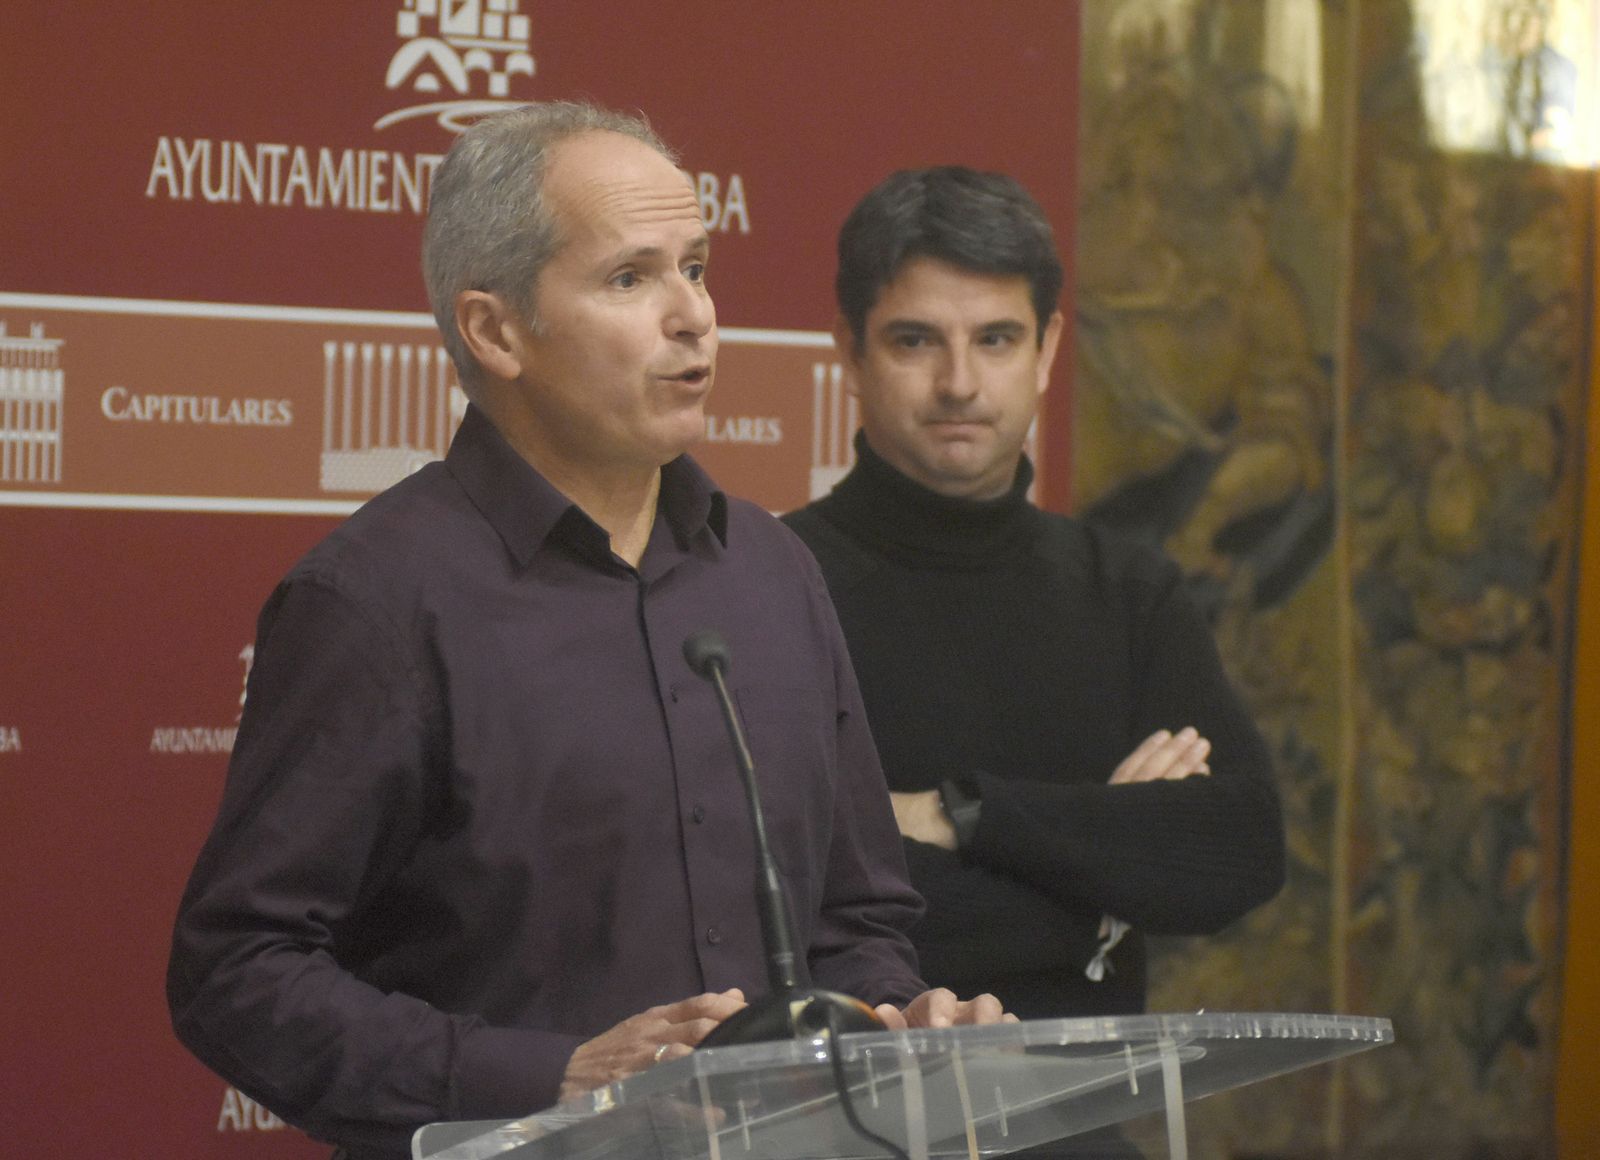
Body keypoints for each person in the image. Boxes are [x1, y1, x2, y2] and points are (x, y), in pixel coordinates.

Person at [167, 105, 1004, 1160]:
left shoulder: (769, 571)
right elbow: (236, 969)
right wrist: (547, 1078)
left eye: (696, 268)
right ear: (496, 331)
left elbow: (854, 918)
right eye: (630, 278)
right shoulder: (377, 599)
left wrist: (897, 1023)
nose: (693, 315)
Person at [783, 166, 1286, 1023]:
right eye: (915, 341)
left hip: (1087, 1121)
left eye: (996, 340)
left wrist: (959, 816)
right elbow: (782, 885)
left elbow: (1240, 852)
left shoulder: (1129, 593)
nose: (960, 384)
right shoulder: (769, 580)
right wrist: (1105, 867)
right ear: (850, 353)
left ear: (1048, 350)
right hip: (848, 1125)